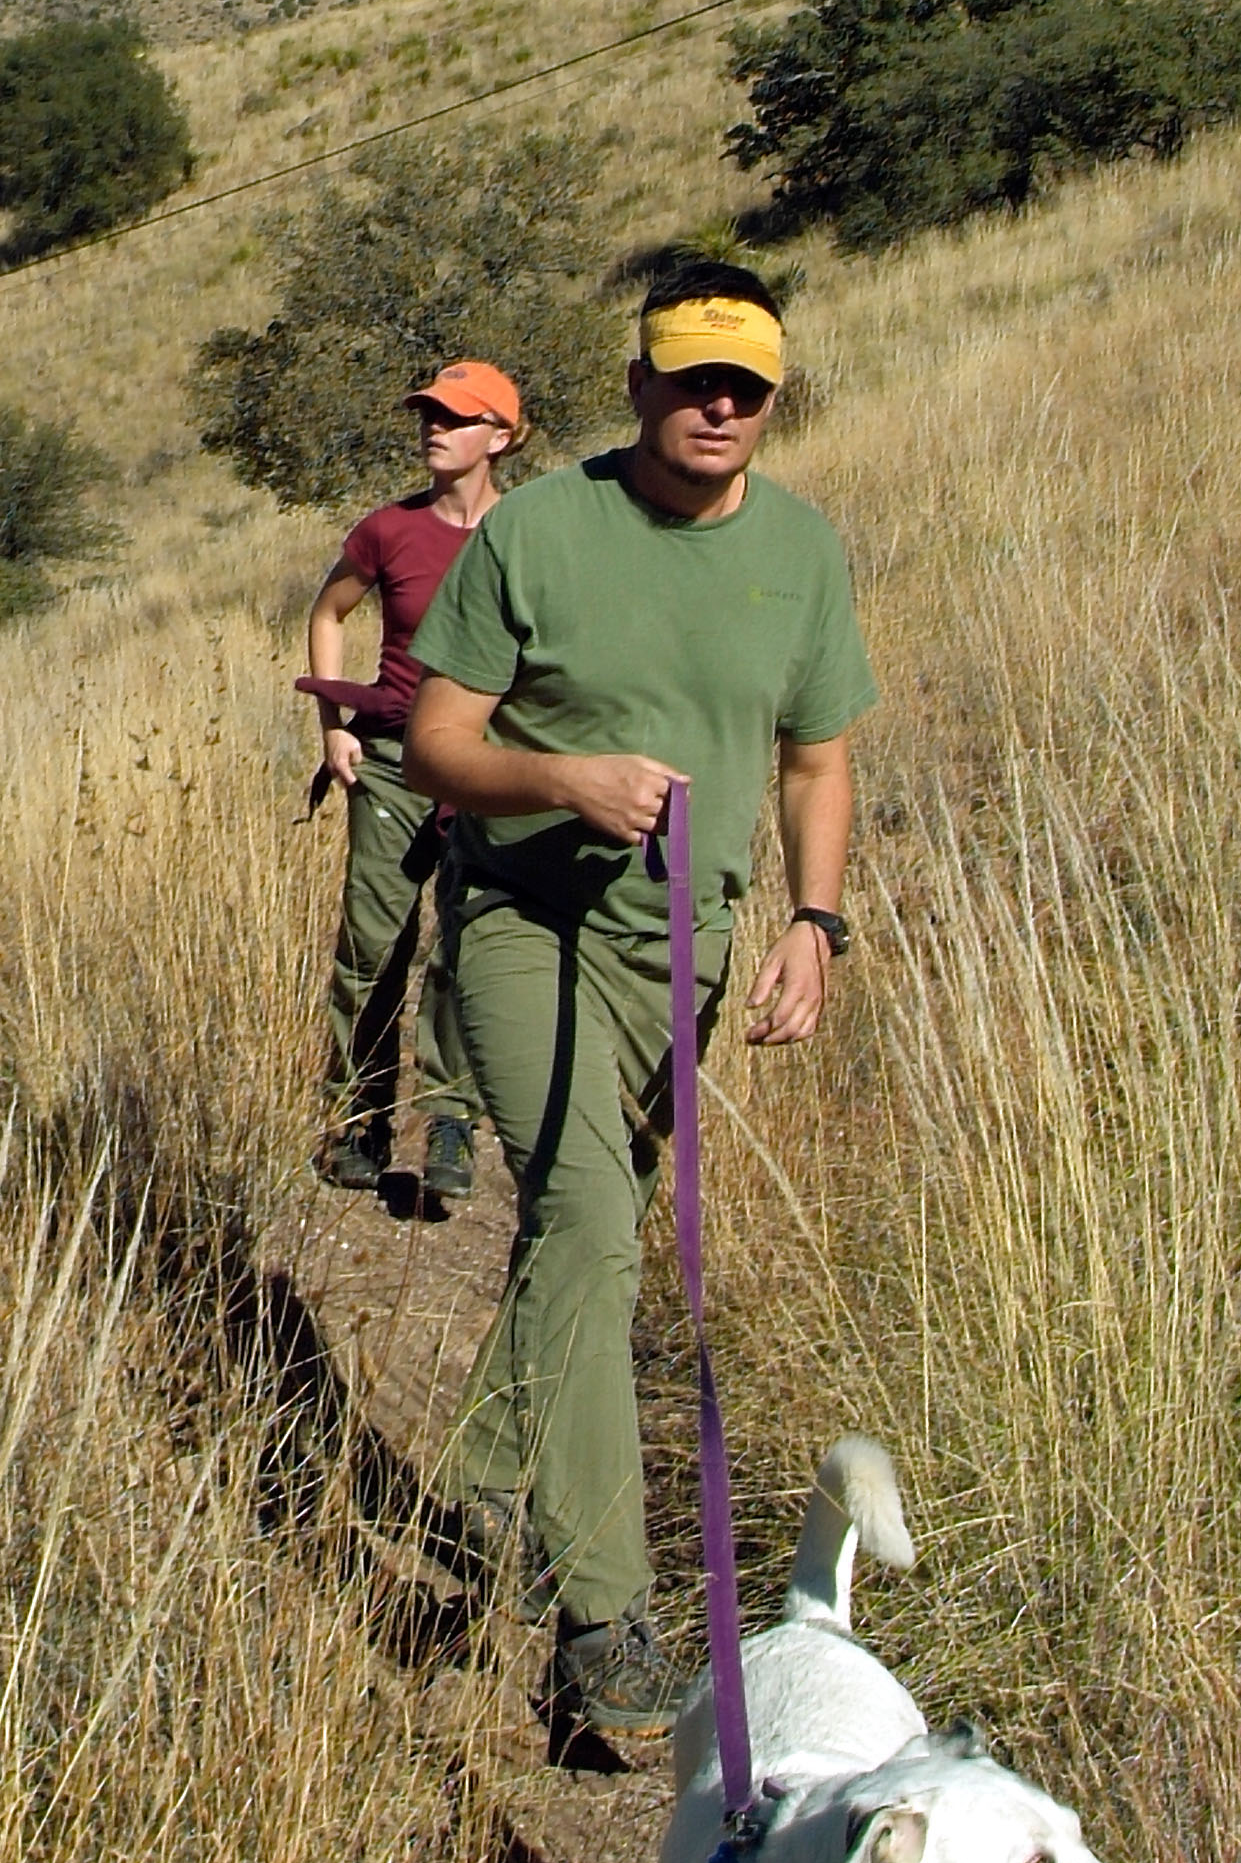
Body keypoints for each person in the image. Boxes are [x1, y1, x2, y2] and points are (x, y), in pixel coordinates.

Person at [401, 260, 873, 1743]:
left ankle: (483, 1479)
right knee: (595, 1223)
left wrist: (815, 919)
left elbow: (816, 756)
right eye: (693, 380)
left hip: (685, 942)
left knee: (576, 1236)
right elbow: (434, 744)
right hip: (522, 917)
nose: (719, 408)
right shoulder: (541, 532)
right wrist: (562, 781)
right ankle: (604, 1614)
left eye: (748, 387)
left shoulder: (803, 553)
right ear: (639, 387)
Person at [299, 361, 523, 1210]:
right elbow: (329, 614)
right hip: (392, 762)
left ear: (501, 436)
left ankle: (451, 1120)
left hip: (488, 768)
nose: (435, 428)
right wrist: (331, 728)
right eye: (428, 414)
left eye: (458, 418)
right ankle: (357, 1119)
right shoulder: (388, 530)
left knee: (464, 946)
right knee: (372, 945)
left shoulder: (531, 529)